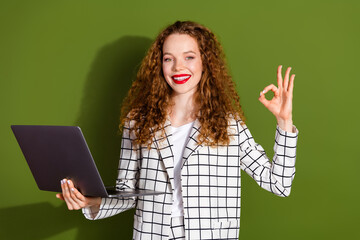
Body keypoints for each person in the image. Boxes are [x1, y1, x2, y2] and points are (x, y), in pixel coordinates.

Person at [56, 20, 298, 240]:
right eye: (168, 58)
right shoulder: (138, 122)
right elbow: (128, 193)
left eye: (189, 57)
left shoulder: (229, 124)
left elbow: (278, 183)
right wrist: (91, 202)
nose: (177, 67)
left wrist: (284, 122)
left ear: (206, 62)